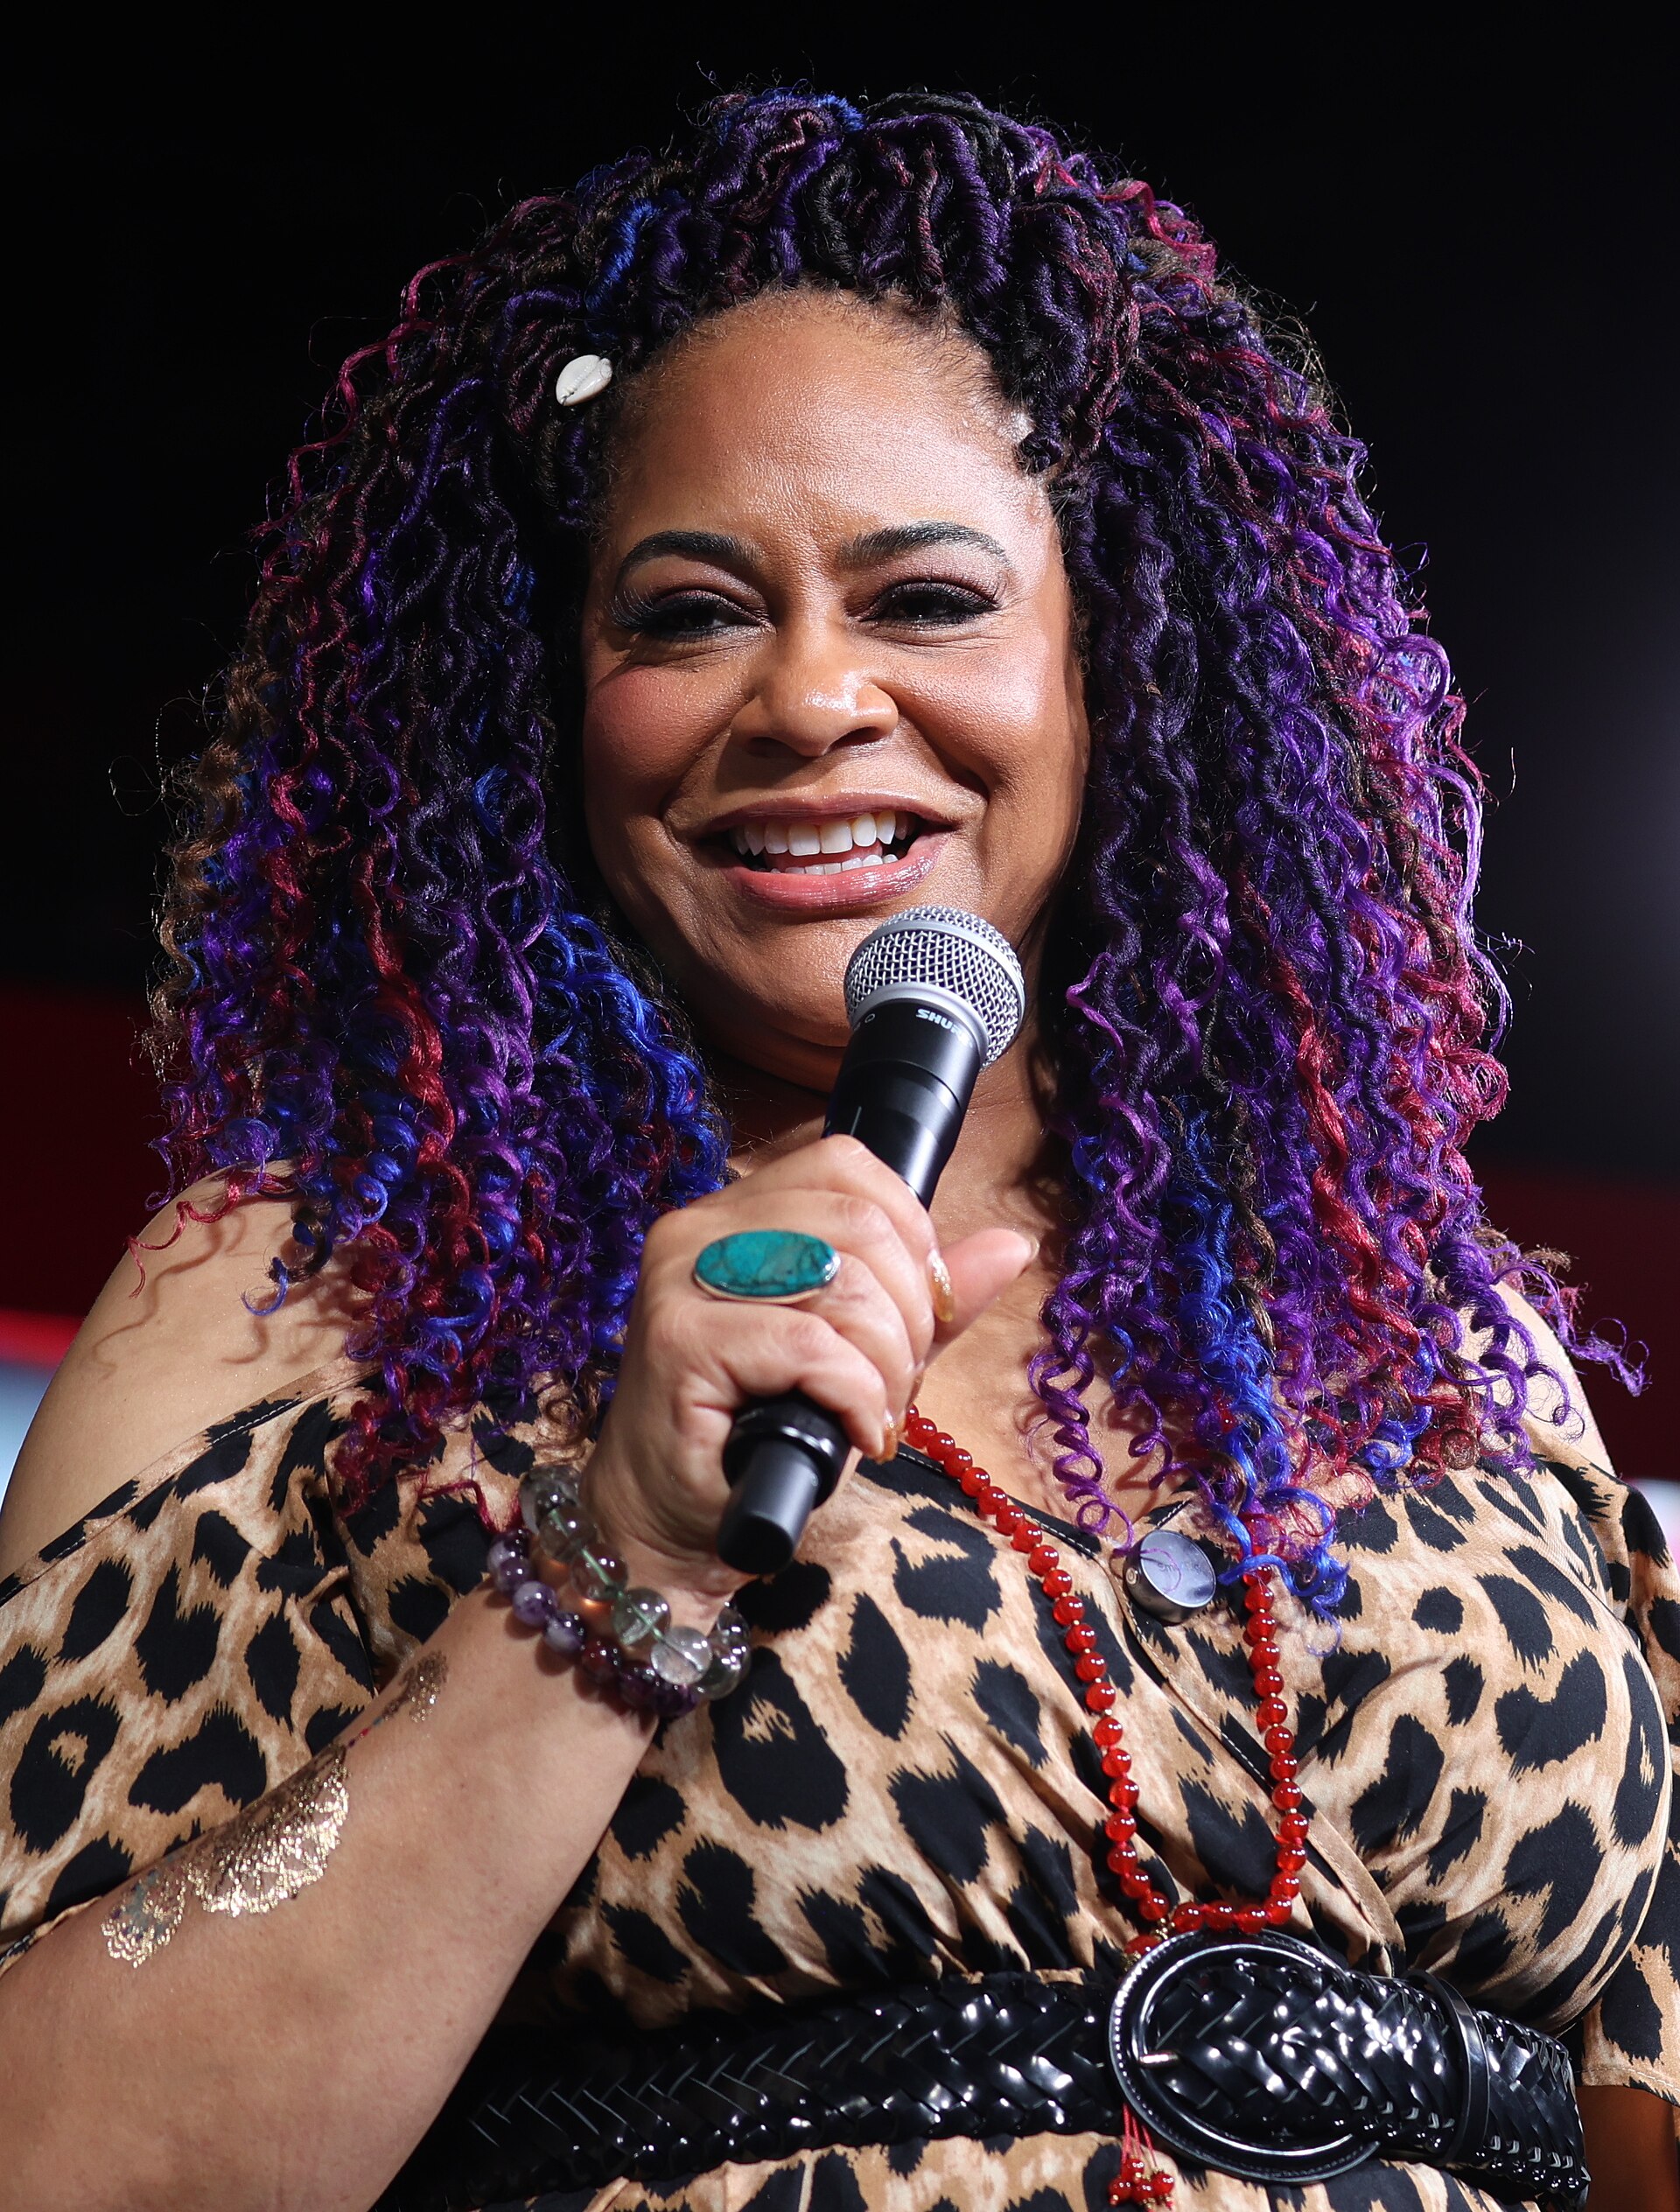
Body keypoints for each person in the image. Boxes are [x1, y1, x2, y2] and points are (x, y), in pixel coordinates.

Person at [0, 88, 1672, 2212]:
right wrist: (619, 1561)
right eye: (689, 613)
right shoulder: (309, 1302)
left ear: (1110, 672)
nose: (808, 696)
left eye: (927, 598)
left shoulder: (1430, 1334)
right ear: (554, 701)